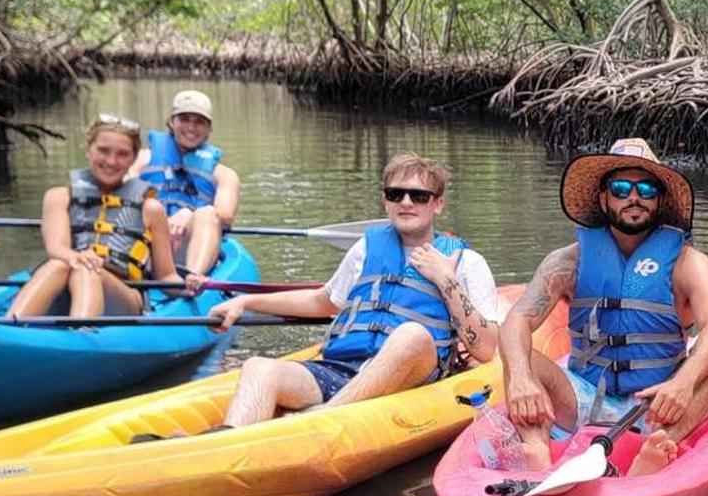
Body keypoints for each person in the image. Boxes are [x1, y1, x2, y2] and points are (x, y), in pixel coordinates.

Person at [206, 154, 503, 427]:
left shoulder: (465, 262)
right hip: (341, 369)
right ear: (385, 201)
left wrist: (447, 280)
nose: (407, 202)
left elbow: (487, 349)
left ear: (437, 203)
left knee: (411, 335)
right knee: (259, 368)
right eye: (395, 194)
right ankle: (223, 446)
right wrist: (246, 302)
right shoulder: (365, 248)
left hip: (412, 375)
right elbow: (321, 301)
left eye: (419, 196)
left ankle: (321, 418)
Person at [500, 138, 708, 477]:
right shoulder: (568, 261)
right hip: (582, 393)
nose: (634, 197)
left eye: (647, 189)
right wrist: (522, 378)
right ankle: (537, 449)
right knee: (519, 356)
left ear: (660, 200)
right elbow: (517, 319)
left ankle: (658, 447)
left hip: (655, 404)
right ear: (603, 198)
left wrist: (683, 382)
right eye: (621, 188)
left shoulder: (689, 264)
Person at [7, 115, 180, 319]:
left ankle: (82, 332)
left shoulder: (151, 209)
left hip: (123, 296)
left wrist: (191, 285)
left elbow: (166, 275)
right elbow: (56, 248)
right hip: (68, 276)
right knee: (59, 264)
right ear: (88, 149)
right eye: (103, 150)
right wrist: (78, 257)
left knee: (87, 270)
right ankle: (10, 324)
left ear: (134, 158)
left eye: (122, 154)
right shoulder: (58, 197)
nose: (111, 161)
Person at [131, 89, 242, 291]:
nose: (191, 127)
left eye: (199, 121)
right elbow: (119, 196)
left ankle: (192, 279)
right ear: (172, 122)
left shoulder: (225, 175)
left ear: (209, 128)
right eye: (184, 119)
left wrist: (188, 214)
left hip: (186, 247)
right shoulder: (141, 159)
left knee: (208, 214)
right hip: (148, 243)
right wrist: (161, 220)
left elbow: (224, 215)